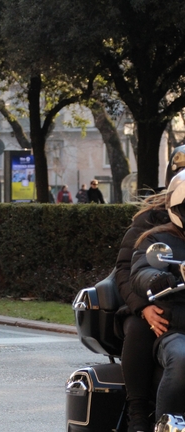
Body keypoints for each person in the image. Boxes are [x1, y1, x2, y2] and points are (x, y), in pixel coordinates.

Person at [115, 149, 185, 431]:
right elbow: (128, 269)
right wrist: (142, 304)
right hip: (153, 299)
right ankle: (138, 413)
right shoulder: (152, 221)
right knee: (141, 327)